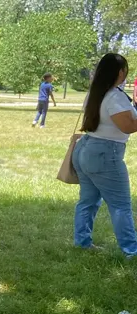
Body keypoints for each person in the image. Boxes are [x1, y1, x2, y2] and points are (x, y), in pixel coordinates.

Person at [72, 53, 137, 257]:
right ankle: (131, 250)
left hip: (85, 148)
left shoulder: (96, 93)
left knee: (88, 201)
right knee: (121, 206)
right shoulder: (115, 97)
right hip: (105, 154)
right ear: (120, 72)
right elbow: (127, 126)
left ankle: (82, 242)